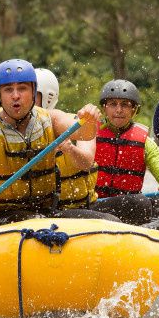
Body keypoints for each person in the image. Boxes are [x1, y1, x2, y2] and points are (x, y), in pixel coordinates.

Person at [0, 59, 115, 232]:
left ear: (33, 90)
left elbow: (85, 134)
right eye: (8, 90)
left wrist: (87, 119)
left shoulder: (51, 119)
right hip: (0, 218)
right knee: (35, 221)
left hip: (48, 214)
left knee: (110, 222)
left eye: (22, 88)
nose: (15, 95)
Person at [91, 79, 159, 225]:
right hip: (95, 205)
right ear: (104, 108)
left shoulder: (145, 142)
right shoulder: (89, 134)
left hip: (128, 206)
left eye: (125, 105)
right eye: (113, 104)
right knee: (140, 203)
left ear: (134, 110)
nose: (119, 110)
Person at [35, 67, 100, 211]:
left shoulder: (79, 123)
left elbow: (86, 163)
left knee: (139, 203)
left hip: (84, 207)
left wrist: (69, 148)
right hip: (49, 211)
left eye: (32, 94)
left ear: (48, 97)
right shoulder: (16, 133)